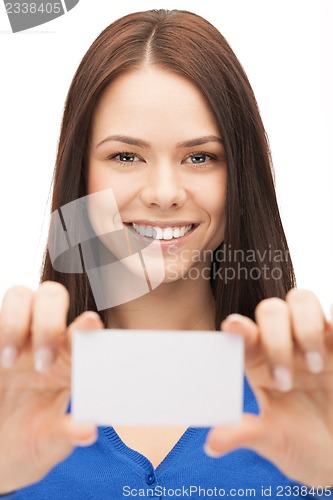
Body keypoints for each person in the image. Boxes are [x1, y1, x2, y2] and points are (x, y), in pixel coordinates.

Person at [0, 8, 332, 499]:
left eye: (200, 157)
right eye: (126, 156)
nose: (163, 192)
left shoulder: (316, 404)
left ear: (241, 177)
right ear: (81, 176)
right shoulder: (12, 407)